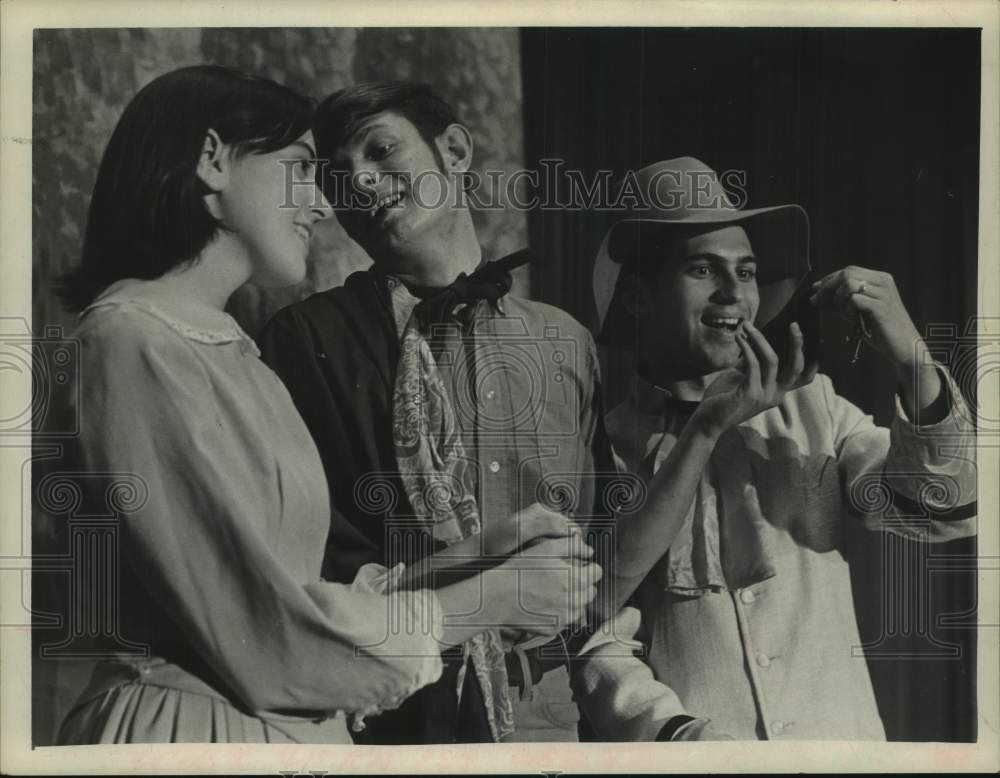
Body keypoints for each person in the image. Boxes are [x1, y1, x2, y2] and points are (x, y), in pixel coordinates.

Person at [54, 65, 600, 745]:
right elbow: (271, 639)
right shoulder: (129, 342)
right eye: (304, 168)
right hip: (195, 735)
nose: (325, 203)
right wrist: (489, 598)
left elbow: (301, 598)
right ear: (213, 161)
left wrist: (480, 554)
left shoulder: (233, 354)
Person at [257, 81, 616, 743]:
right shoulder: (307, 342)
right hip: (391, 711)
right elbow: (302, 563)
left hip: (547, 718)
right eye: (338, 177)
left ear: (453, 149)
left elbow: (592, 551)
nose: (360, 181)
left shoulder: (565, 342)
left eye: (380, 149)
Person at [571, 157, 977, 740]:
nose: (734, 292)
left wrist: (910, 357)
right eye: (702, 269)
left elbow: (944, 506)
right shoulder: (602, 446)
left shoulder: (813, 407)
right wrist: (678, 735)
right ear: (637, 296)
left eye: (746, 269)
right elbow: (591, 631)